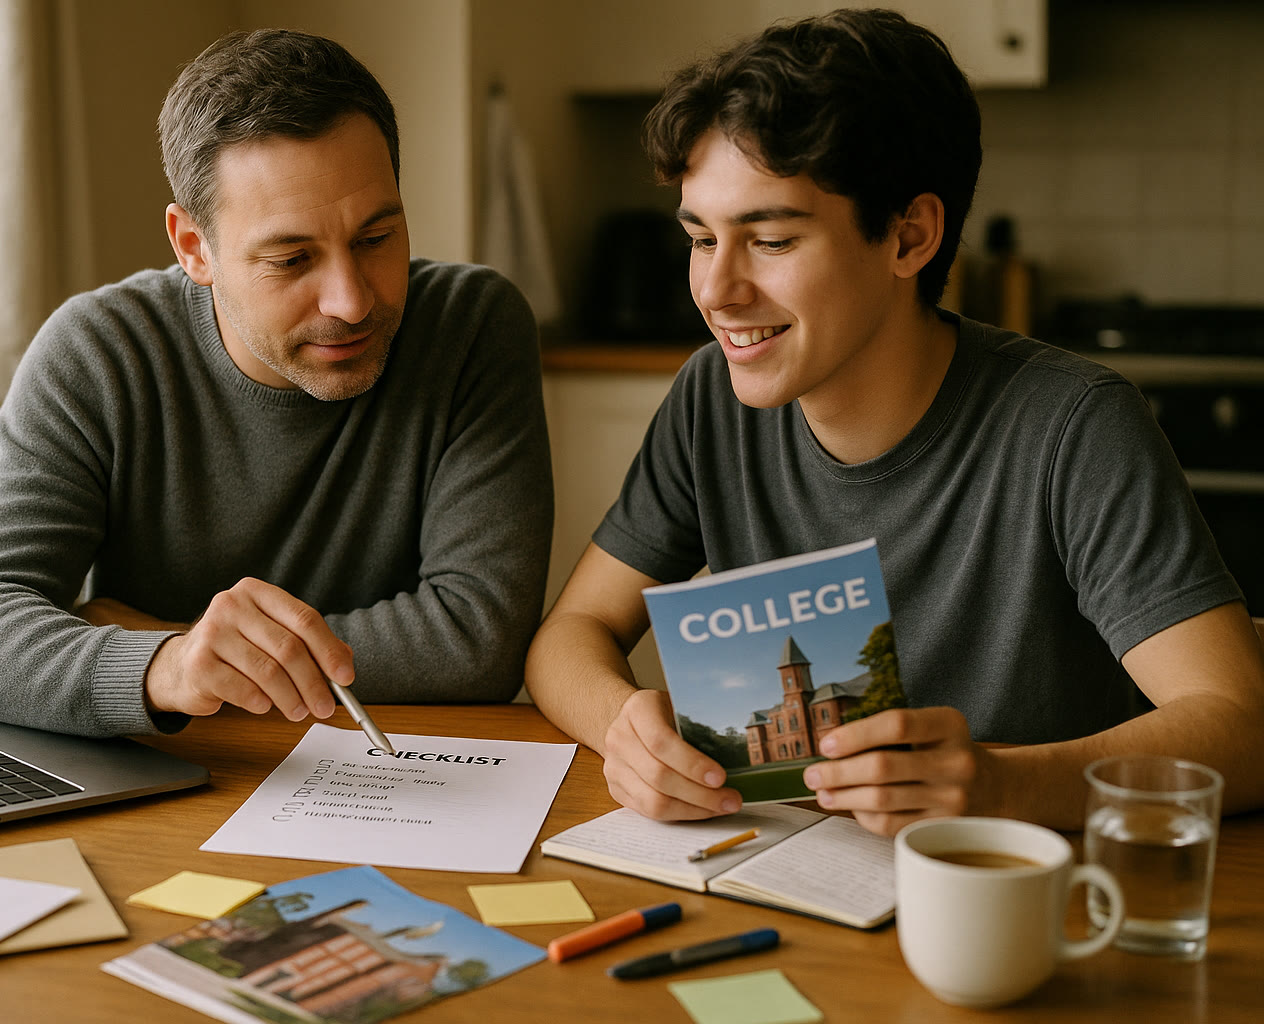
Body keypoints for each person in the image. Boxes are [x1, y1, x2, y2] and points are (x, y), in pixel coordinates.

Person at [524, 8, 1264, 836]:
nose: (714, 291)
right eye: (701, 238)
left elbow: (1241, 725)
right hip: (795, 886)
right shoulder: (711, 401)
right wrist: (623, 727)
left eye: (768, 240)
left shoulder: (1072, 427)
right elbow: (570, 635)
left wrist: (1000, 786)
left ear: (909, 236)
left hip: (1019, 906)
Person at [0, 29, 552, 738]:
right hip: (182, 783)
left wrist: (177, 643)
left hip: (404, 778)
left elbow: (477, 640)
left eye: (377, 239)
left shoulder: (472, 327)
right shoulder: (98, 353)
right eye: (291, 259)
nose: (351, 300)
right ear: (194, 248)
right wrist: (170, 666)